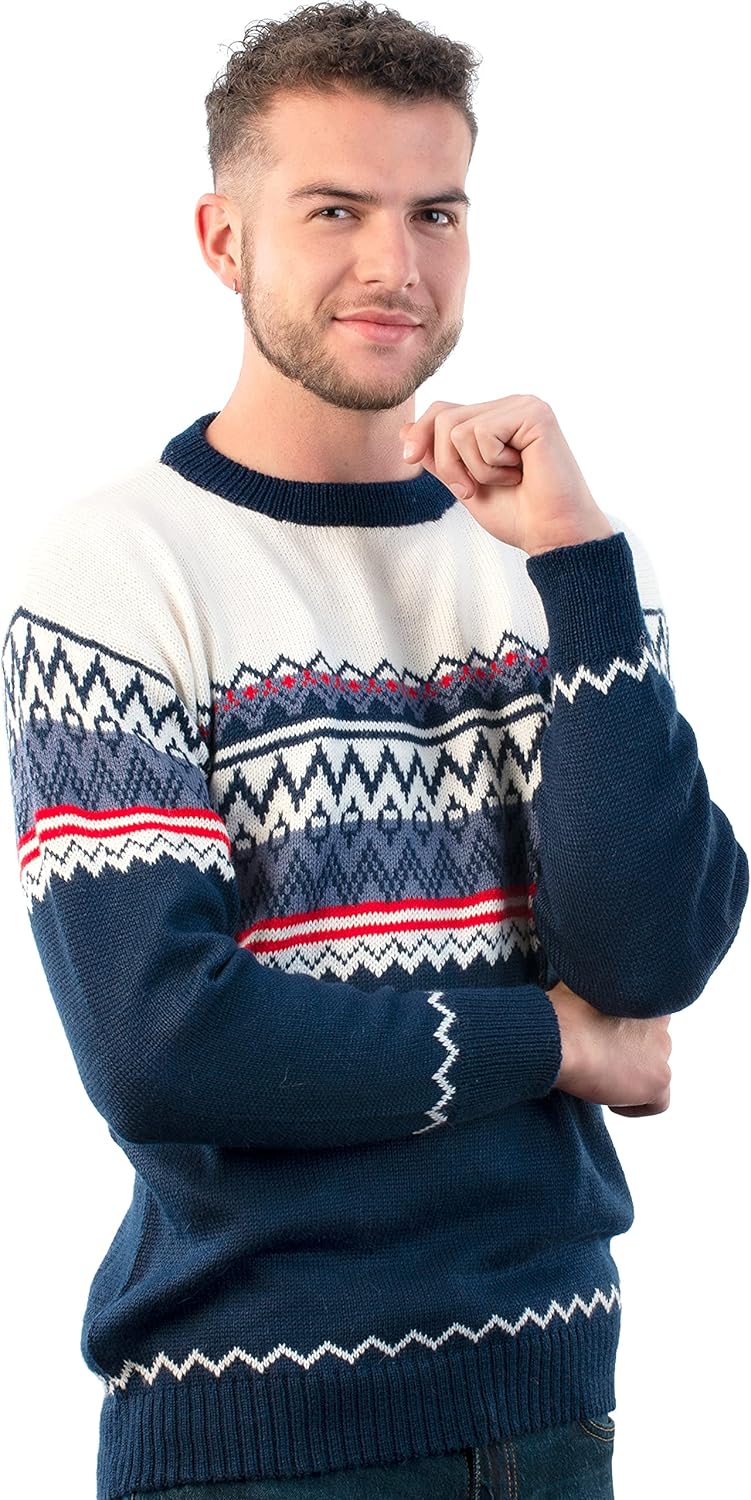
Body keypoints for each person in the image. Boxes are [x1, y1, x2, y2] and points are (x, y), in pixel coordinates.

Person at [1, 4, 746, 1498]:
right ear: (223, 240)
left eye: (435, 213)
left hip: (555, 1407)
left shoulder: (565, 558)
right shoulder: (116, 570)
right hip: (253, 1432)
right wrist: (554, 1044)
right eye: (334, 211)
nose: (395, 266)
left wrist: (581, 569)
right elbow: (167, 1045)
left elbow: (649, 957)